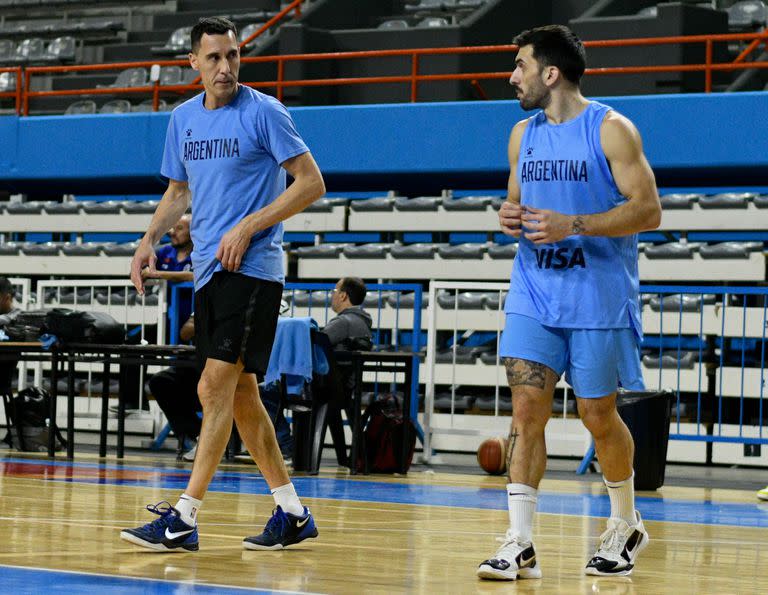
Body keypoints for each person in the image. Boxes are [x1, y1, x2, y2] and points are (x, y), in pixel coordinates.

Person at [121, 16, 325, 553]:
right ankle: (293, 513)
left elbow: (311, 183)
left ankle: (183, 518)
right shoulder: (183, 119)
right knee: (241, 397)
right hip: (210, 271)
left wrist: (250, 225)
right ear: (193, 63)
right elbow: (177, 192)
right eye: (213, 58)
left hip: (254, 270)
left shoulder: (265, 112)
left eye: (233, 56)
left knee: (212, 387)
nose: (225, 67)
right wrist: (147, 241)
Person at [476, 25, 661, 581]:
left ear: (550, 73)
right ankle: (520, 541)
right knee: (526, 413)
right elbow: (517, 206)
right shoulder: (520, 136)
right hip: (534, 292)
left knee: (597, 416)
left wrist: (573, 225)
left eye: (520, 65)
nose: (513, 76)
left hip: (597, 297)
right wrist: (508, 218)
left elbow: (648, 211)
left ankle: (625, 523)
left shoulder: (611, 130)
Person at [148, 314, 201, 462]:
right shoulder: (206, 298)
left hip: (225, 366)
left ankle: (210, 437)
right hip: (195, 367)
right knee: (160, 382)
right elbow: (185, 332)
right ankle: (199, 434)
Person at [323, 277, 373, 351]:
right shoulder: (364, 321)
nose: (332, 295)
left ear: (343, 296)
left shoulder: (342, 322)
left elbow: (313, 346)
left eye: (334, 291)